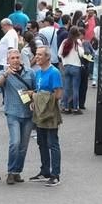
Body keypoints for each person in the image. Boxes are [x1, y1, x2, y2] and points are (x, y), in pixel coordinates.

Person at [0, 49, 36, 185]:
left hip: (28, 113)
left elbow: (36, 90)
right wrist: (6, 74)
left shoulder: (30, 73)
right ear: (8, 60)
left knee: (23, 146)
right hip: (13, 112)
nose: (15, 60)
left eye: (17, 57)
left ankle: (17, 171)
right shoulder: (3, 73)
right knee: (15, 142)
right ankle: (11, 171)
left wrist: (33, 97)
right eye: (12, 58)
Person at [29, 46, 63, 187]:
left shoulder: (54, 72)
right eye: (36, 54)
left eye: (40, 55)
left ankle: (55, 174)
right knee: (41, 142)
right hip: (39, 112)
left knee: (52, 143)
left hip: (50, 112)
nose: (37, 57)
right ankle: (45, 171)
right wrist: (33, 101)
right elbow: (38, 90)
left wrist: (38, 97)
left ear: (48, 57)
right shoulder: (38, 73)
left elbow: (58, 94)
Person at [58, 26, 84, 115]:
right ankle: (75, 108)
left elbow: (59, 54)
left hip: (66, 67)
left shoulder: (65, 42)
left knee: (66, 88)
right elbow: (82, 54)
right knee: (75, 88)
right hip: (76, 67)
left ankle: (65, 107)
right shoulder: (77, 42)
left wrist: (64, 61)